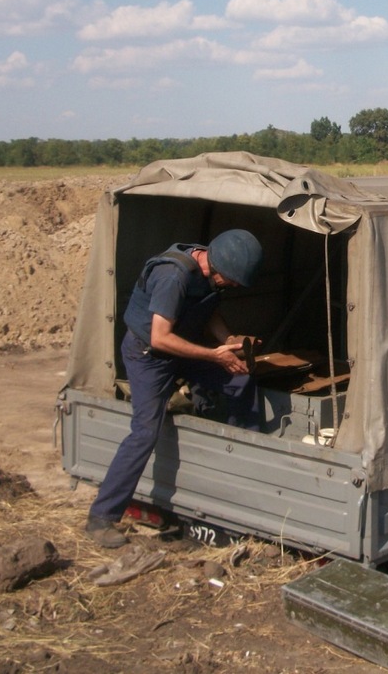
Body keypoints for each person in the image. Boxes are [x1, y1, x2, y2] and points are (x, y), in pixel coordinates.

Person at [85, 229, 264, 548]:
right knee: (144, 432)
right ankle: (102, 516)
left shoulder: (211, 269)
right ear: (219, 267)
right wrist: (213, 356)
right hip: (149, 357)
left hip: (185, 347)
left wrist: (228, 340)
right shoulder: (173, 277)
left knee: (241, 379)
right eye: (233, 280)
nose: (235, 286)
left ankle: (238, 470)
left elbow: (209, 310)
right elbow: (160, 338)